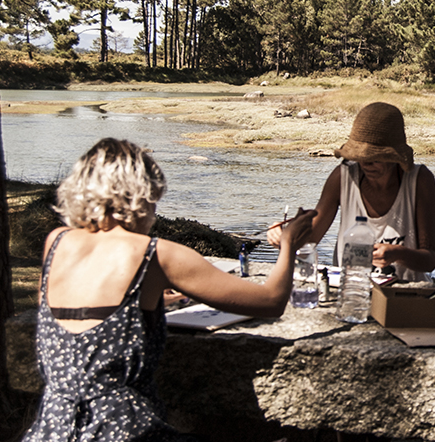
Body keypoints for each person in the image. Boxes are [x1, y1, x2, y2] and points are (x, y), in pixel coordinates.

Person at [22, 138, 313, 442]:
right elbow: (271, 301)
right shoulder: (155, 254)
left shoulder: (56, 242)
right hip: (124, 429)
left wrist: (151, 299)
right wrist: (289, 243)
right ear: (142, 195)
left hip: (54, 428)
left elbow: (88, 303)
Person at [268, 101, 435, 281]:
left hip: (405, 295)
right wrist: (285, 236)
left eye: (374, 158)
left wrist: (399, 254)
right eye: (359, 157)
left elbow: (430, 259)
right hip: (351, 290)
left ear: (393, 157)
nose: (365, 164)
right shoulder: (343, 177)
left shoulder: (419, 180)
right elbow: (310, 240)